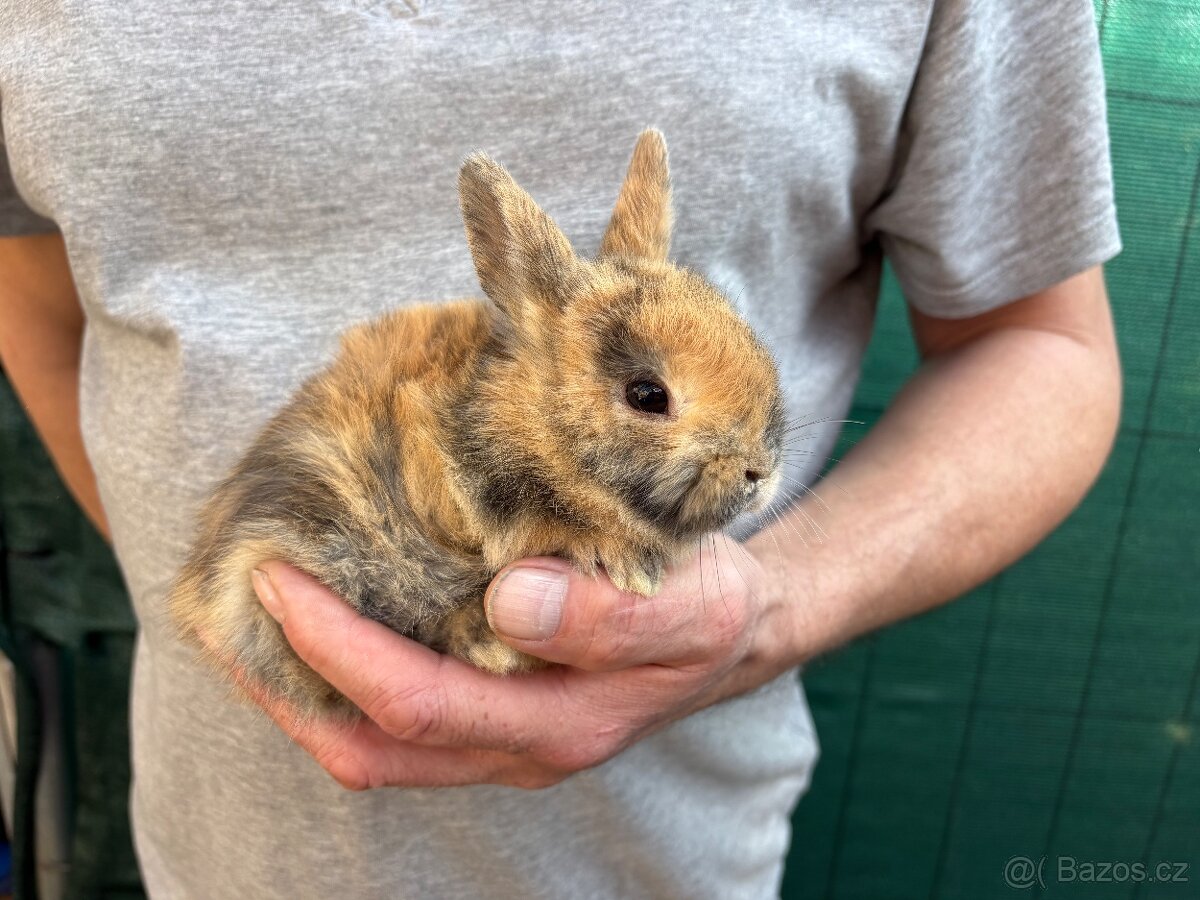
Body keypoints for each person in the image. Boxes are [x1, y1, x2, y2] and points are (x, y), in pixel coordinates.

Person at [0, 1, 1122, 897]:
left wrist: (769, 604)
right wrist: (231, 584)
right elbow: (37, 294)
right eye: (648, 397)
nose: (747, 471)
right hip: (216, 849)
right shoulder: (495, 421)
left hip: (659, 862)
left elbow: (1042, 345)